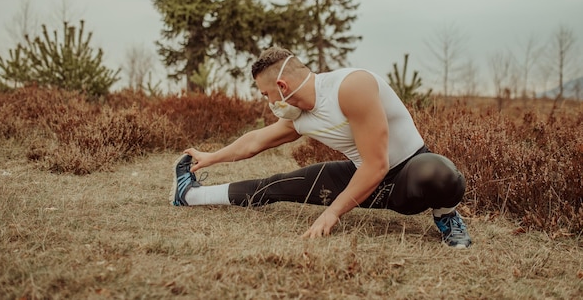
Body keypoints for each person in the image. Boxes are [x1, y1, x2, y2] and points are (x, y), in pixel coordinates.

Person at [171, 47, 472, 248]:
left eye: (266, 94)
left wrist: (333, 212)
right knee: (275, 185)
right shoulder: (298, 116)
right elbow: (255, 141)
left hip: (407, 176)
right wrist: (210, 158)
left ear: (283, 87)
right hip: (363, 178)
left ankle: (446, 216)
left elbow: (378, 164)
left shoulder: (351, 87)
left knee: (438, 171)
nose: (268, 101)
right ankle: (191, 195)